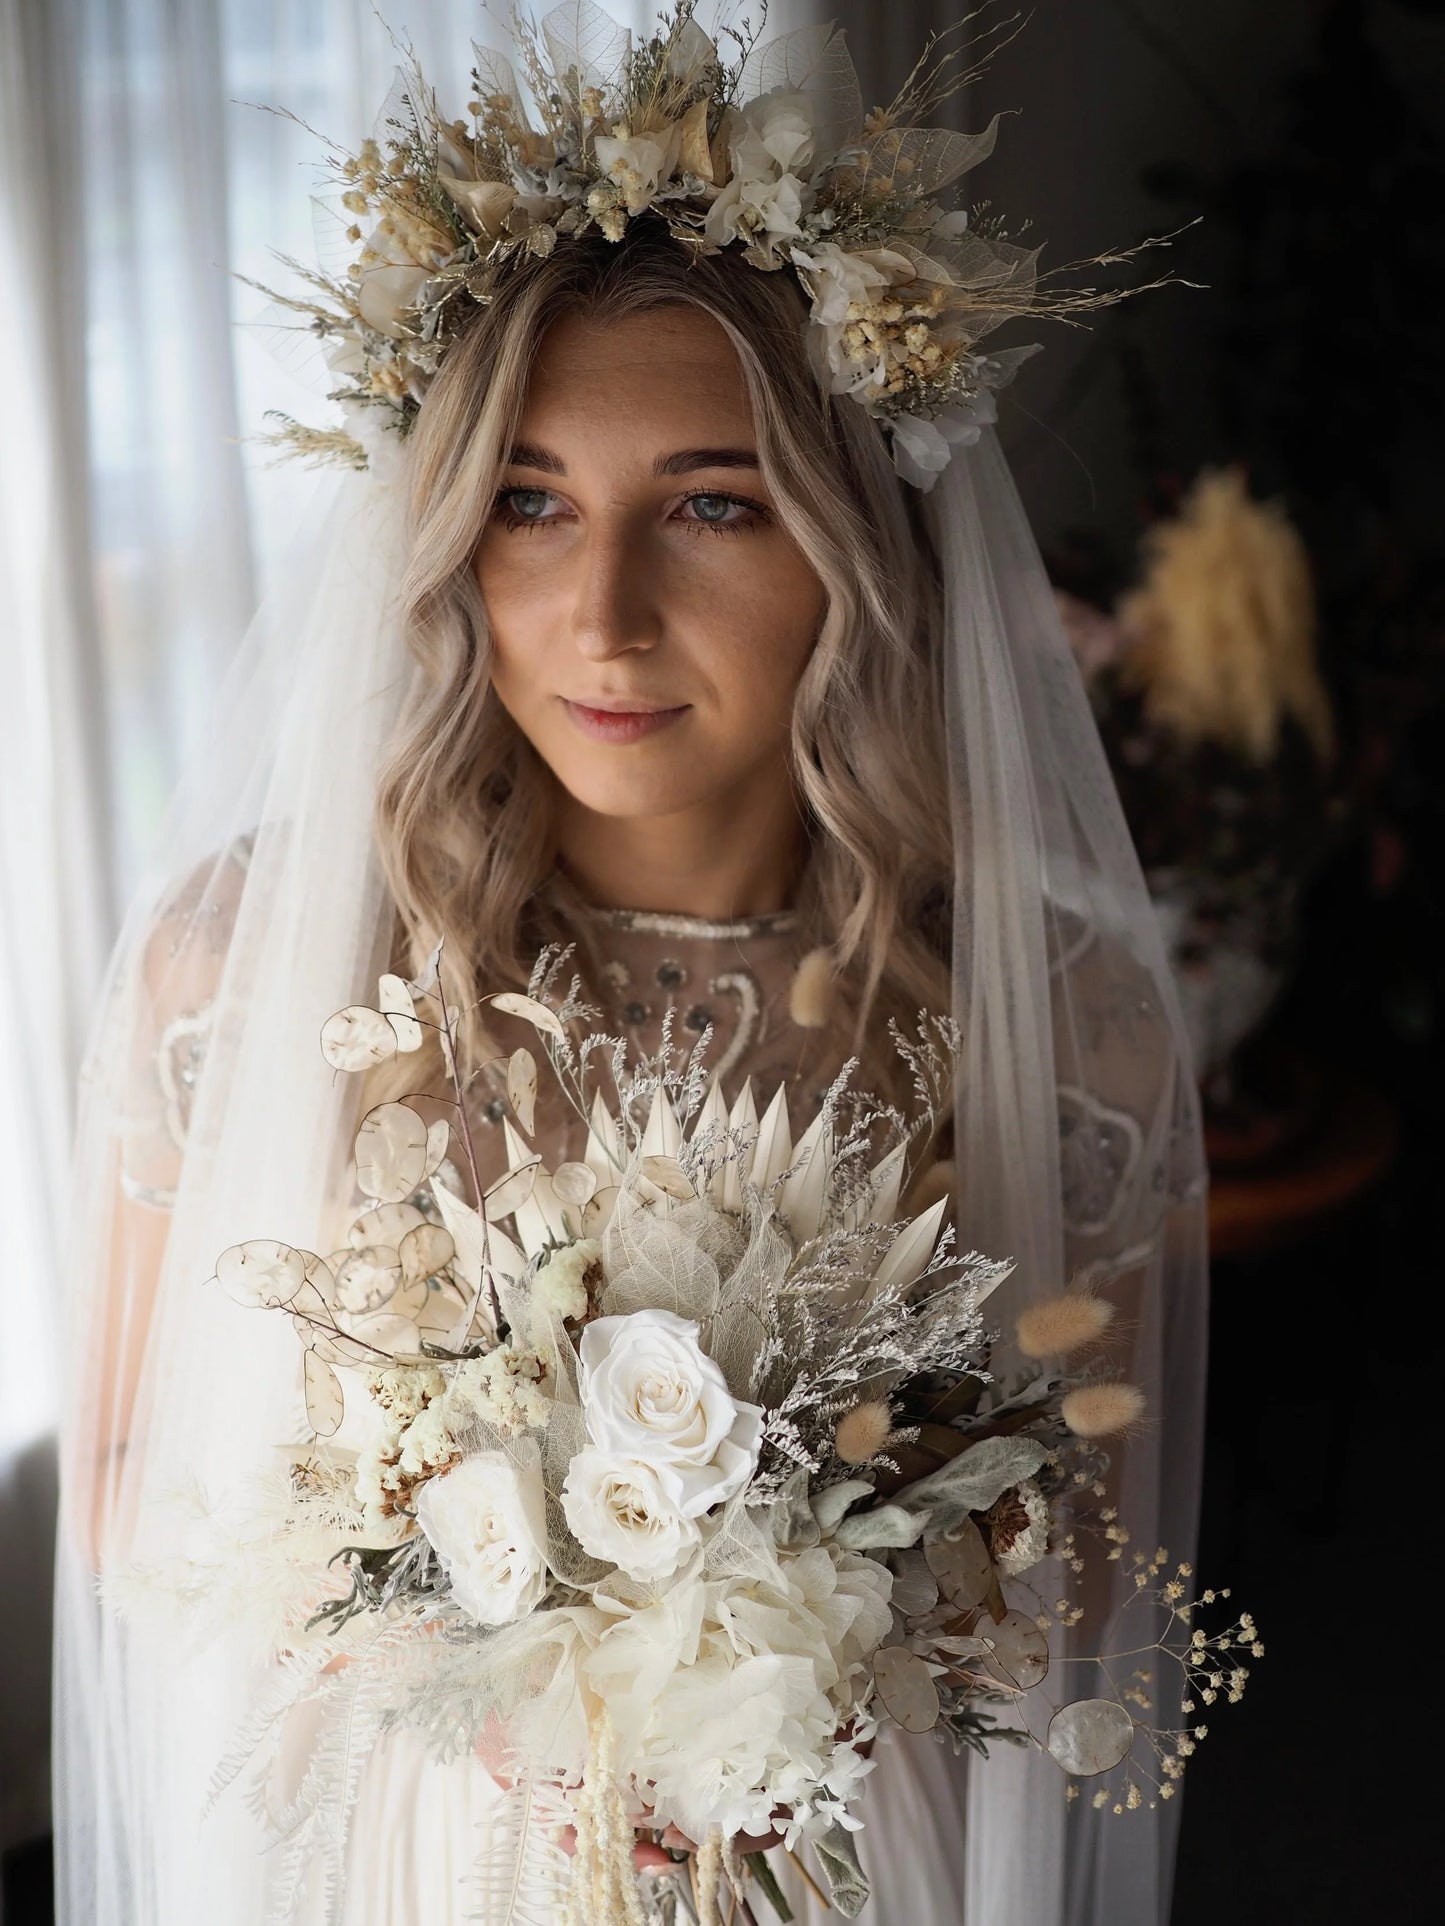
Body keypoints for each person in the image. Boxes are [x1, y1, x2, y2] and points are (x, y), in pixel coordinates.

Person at [53, 11, 1208, 1924]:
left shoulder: (1055, 1020)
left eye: (709, 503)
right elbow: (116, 1469)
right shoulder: (247, 973)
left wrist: (821, 1608)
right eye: (527, 501)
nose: (602, 612)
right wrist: (500, 1654)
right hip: (410, 1849)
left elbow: (1096, 1558)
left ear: (860, 540)